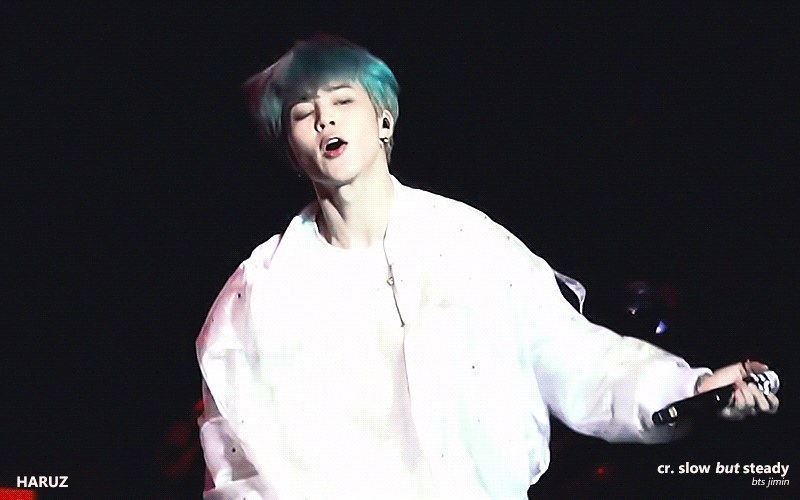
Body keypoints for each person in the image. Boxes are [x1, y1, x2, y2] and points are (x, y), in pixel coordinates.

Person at [195, 34, 778, 499]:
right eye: (304, 113)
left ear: (383, 120)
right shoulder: (261, 292)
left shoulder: (469, 244)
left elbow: (577, 359)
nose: (326, 120)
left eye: (343, 100)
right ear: (291, 151)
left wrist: (693, 388)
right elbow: (236, 467)